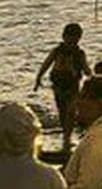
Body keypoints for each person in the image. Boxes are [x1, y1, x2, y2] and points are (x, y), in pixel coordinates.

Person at [34, 22, 91, 155]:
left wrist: (92, 77)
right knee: (62, 110)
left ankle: (67, 136)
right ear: (64, 37)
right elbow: (46, 63)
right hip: (58, 85)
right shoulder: (57, 51)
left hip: (73, 85)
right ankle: (66, 134)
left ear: (79, 39)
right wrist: (38, 78)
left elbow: (85, 68)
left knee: (71, 110)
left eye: (76, 38)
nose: (72, 41)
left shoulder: (79, 54)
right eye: (70, 37)